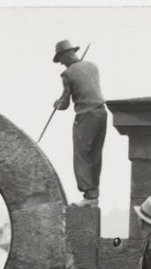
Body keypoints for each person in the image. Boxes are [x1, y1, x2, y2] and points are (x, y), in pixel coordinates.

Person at [52, 39, 108, 208]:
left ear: (66, 54)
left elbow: (65, 104)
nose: (61, 63)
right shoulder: (92, 66)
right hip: (101, 112)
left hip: (85, 115)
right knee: (95, 155)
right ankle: (93, 195)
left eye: (61, 59)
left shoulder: (67, 74)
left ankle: (88, 195)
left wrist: (57, 103)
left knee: (81, 156)